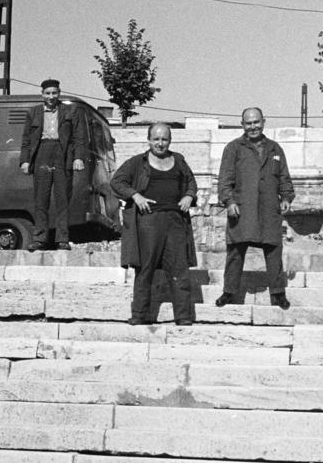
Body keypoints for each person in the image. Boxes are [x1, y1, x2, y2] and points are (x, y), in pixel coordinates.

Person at [112, 123, 198, 325]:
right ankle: (140, 316)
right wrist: (136, 195)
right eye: (156, 139)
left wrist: (188, 196)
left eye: (164, 139)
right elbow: (117, 182)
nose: (160, 143)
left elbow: (191, 183)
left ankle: (184, 317)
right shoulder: (137, 163)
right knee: (145, 269)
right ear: (149, 140)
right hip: (148, 222)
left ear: (170, 140)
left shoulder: (179, 160)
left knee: (179, 270)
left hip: (176, 221)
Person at [215, 107, 293, 309]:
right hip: (242, 210)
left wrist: (286, 197)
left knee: (274, 250)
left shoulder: (275, 149)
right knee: (235, 252)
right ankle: (229, 292)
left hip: (268, 210)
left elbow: (284, 178)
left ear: (263, 122)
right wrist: (229, 201)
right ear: (242, 125)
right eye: (248, 123)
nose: (253, 127)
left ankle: (278, 294)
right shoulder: (233, 148)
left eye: (256, 122)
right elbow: (224, 180)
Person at [19, 78, 87, 250]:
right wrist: (25, 160)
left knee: (62, 198)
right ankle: (40, 238)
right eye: (47, 93)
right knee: (41, 198)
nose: (51, 96)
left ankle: (62, 239)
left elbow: (79, 137)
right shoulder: (33, 112)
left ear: (59, 93)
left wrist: (78, 157)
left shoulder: (70, 111)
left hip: (62, 154)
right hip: (42, 153)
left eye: (54, 93)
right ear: (42, 94)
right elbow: (26, 139)